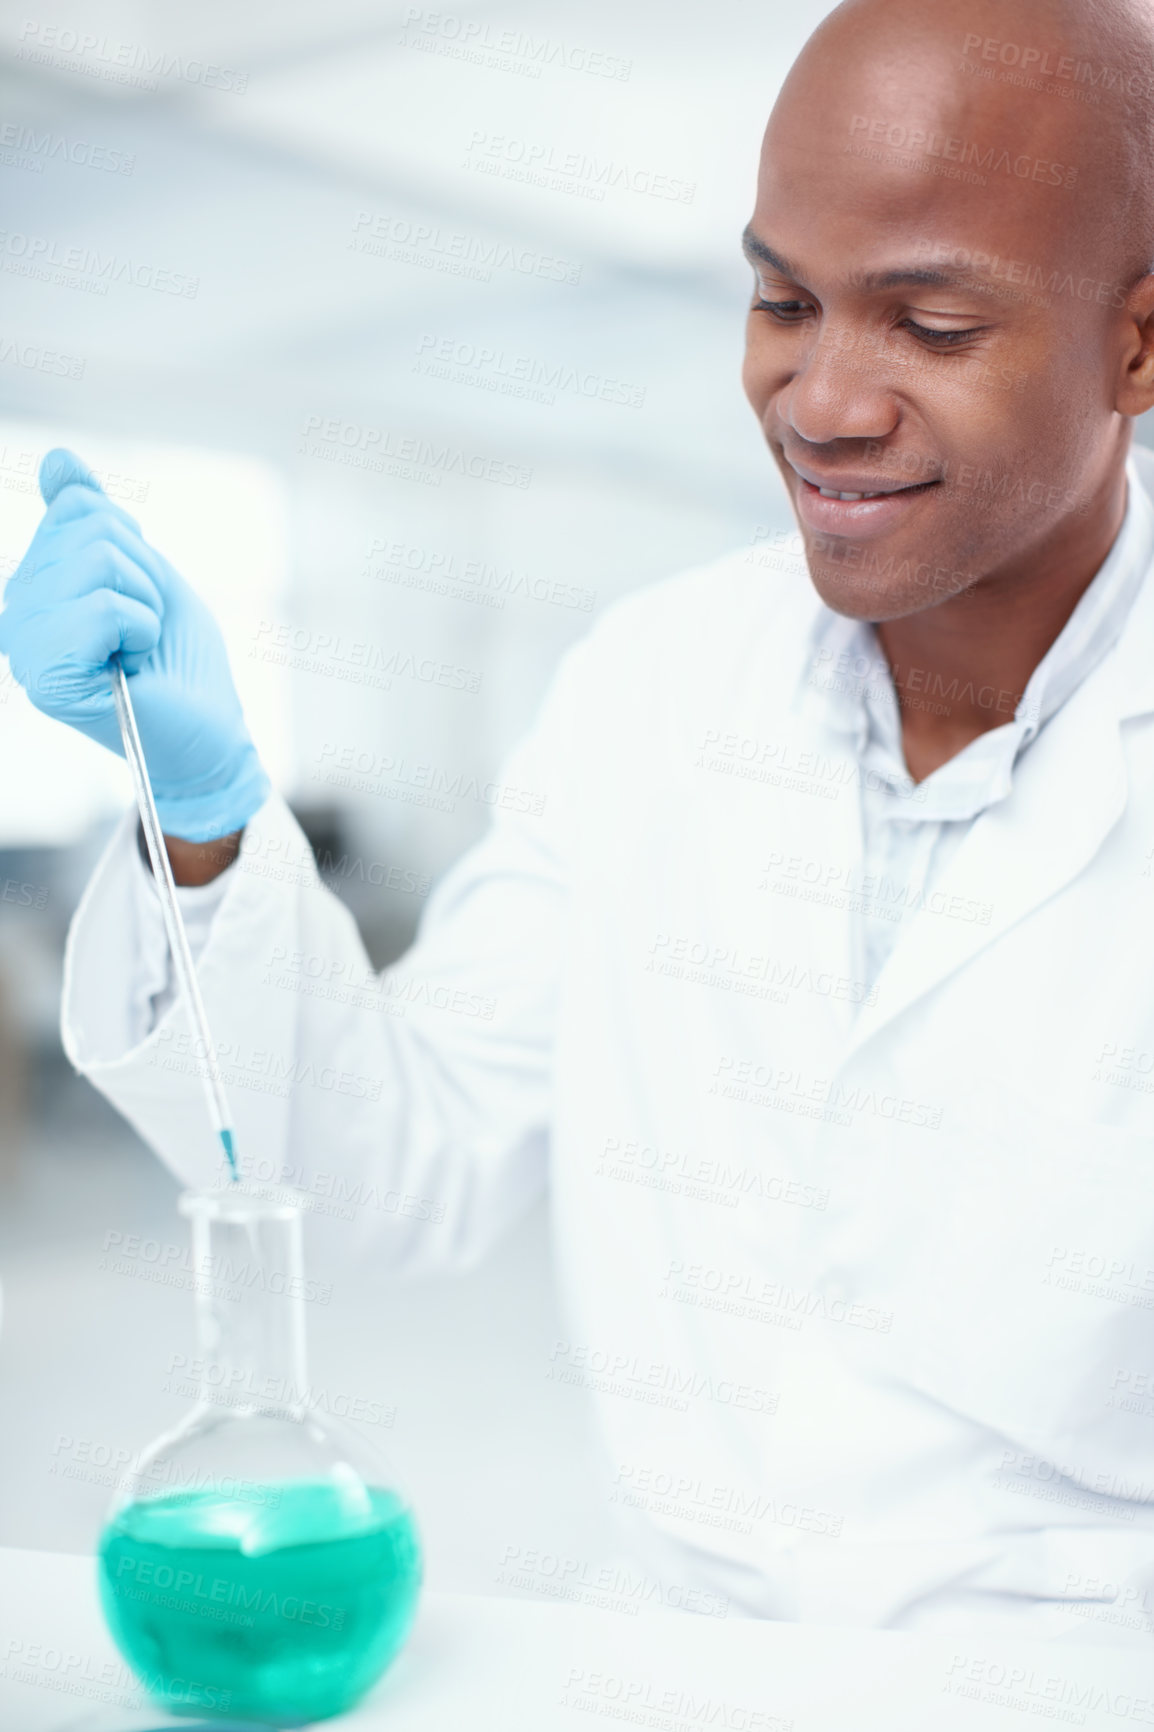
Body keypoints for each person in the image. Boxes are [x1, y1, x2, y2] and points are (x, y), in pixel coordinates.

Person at [4, 0, 1154, 1643]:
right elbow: (395, 1171)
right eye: (779, 302)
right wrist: (204, 818)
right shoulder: (652, 683)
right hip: (674, 1659)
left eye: (932, 327)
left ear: (1136, 342)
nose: (823, 401)